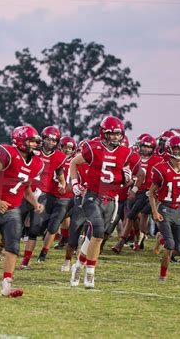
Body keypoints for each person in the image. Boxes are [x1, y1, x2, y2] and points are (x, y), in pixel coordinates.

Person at [69, 116, 140, 288]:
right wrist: (74, 184)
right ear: (104, 134)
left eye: (118, 134)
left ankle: (78, 265)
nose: (116, 137)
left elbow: (140, 172)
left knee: (96, 237)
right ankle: (90, 274)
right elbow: (73, 163)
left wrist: (131, 182)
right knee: (99, 232)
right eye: (112, 134)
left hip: (112, 199)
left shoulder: (127, 153)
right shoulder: (93, 149)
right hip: (93, 196)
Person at [0, 125, 44, 297]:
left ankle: (6, 285)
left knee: (13, 245)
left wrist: (35, 203)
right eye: (31, 141)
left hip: (13, 210)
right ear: (20, 141)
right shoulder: (7, 154)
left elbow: (26, 188)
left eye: (35, 142)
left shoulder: (36, 163)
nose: (34, 145)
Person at [149, 136, 180, 281]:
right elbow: (151, 192)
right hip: (165, 209)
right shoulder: (161, 168)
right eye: (177, 148)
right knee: (170, 245)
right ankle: (162, 276)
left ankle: (160, 239)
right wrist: (154, 211)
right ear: (170, 149)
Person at [19, 126, 67, 268]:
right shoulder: (32, 151)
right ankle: (1, 248)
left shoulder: (59, 157)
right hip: (24, 191)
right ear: (42, 138)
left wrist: (62, 184)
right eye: (48, 139)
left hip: (42, 195)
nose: (51, 142)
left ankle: (25, 262)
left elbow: (60, 175)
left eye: (54, 140)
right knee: (13, 224)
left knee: (34, 230)